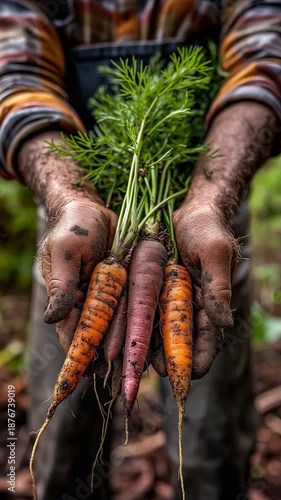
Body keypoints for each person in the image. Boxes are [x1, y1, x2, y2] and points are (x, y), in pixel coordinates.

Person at [1, 1, 281, 499]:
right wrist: (72, 198)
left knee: (212, 437)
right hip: (76, 231)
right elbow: (13, 75)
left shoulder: (205, 212)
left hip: (205, 220)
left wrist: (208, 201)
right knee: (66, 435)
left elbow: (266, 60)